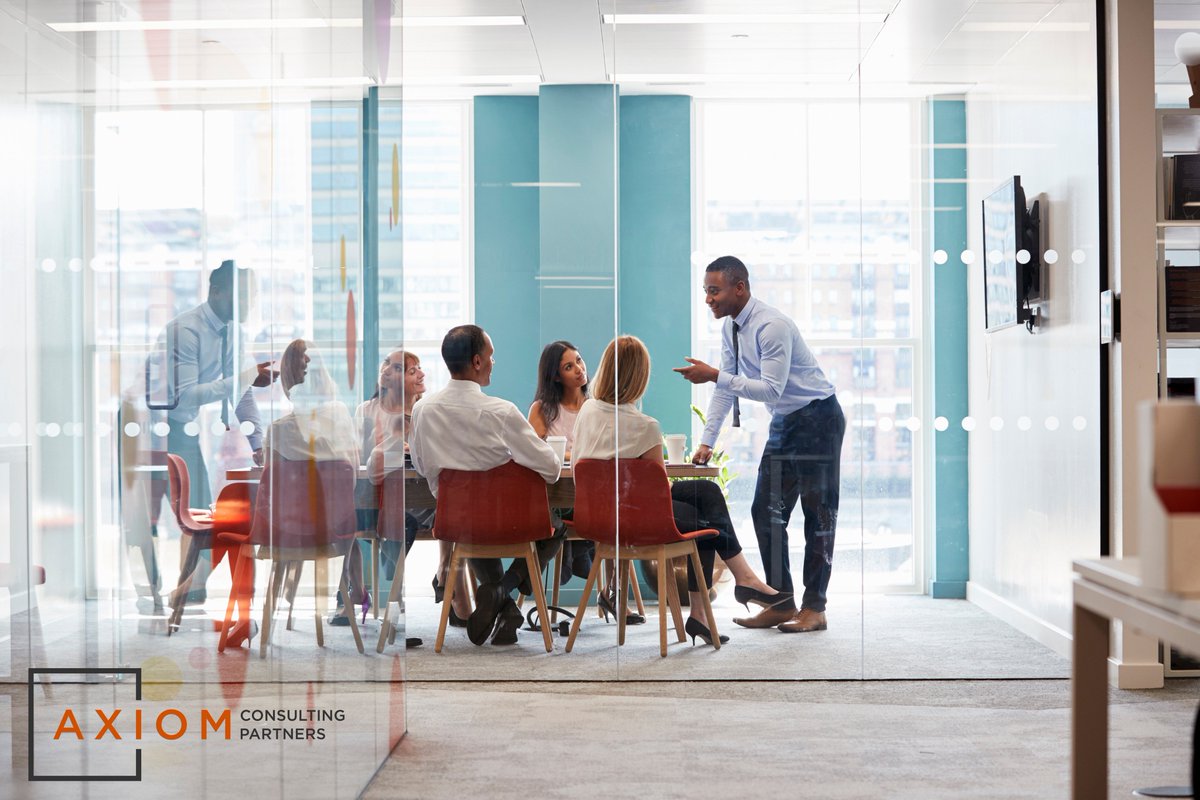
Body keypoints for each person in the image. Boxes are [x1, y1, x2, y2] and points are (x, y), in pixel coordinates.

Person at [573, 335, 785, 647]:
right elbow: (658, 490)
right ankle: (739, 585)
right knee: (707, 520)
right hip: (637, 520)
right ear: (640, 377)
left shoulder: (587, 411)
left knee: (706, 491)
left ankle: (730, 592)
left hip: (598, 515)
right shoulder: (645, 427)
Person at [675, 256, 846, 634]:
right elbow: (725, 388)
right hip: (785, 421)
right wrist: (707, 441)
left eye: (714, 290)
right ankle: (780, 600)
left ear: (740, 288)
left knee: (819, 517)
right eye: (705, 291)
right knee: (763, 511)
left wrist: (715, 375)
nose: (708, 299)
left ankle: (814, 608)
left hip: (818, 418)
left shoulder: (772, 326)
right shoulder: (731, 330)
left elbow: (770, 388)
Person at [408, 325, 563, 646]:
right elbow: (551, 468)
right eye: (491, 356)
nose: (494, 362)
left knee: (473, 524)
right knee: (559, 520)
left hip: (458, 524)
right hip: (509, 523)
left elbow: (422, 468)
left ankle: (505, 609)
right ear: (477, 362)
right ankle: (503, 593)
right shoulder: (501, 412)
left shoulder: (422, 411)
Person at [157, 259, 276, 606]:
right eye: (244, 297)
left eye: (252, 298)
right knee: (153, 522)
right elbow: (186, 393)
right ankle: (163, 593)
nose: (249, 306)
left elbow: (241, 392)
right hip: (152, 429)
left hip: (183, 427)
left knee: (200, 513)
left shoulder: (234, 333)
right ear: (217, 292)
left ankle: (189, 591)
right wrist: (243, 377)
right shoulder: (186, 330)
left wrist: (258, 443)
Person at [362, 348, 470, 628]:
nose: (422, 374)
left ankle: (451, 584)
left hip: (426, 498)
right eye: (412, 371)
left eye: (420, 368)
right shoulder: (368, 412)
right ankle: (452, 593)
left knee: (459, 513)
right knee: (441, 512)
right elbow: (361, 462)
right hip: (383, 501)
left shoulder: (429, 411)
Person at [269, 339, 364, 625]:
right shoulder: (339, 414)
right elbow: (353, 472)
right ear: (322, 375)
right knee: (348, 519)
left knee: (335, 515)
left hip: (289, 529)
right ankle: (352, 592)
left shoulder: (278, 431)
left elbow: (270, 485)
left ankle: (350, 592)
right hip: (336, 528)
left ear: (286, 380)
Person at [527, 340, 593, 584]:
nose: (579, 369)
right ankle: (579, 556)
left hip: (590, 492)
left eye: (579, 360)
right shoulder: (542, 409)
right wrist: (577, 455)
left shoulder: (596, 407)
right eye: (569, 366)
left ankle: (580, 557)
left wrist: (565, 453)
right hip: (555, 493)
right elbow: (534, 452)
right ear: (555, 376)